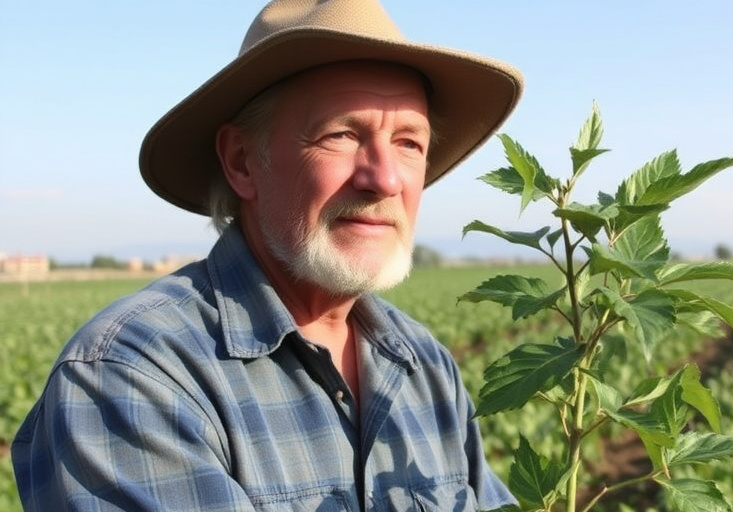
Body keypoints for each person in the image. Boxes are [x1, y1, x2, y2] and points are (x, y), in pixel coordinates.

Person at [12, 1, 523, 510]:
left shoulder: (423, 364)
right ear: (242, 162)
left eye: (409, 143)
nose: (386, 178)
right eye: (342, 135)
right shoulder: (134, 373)